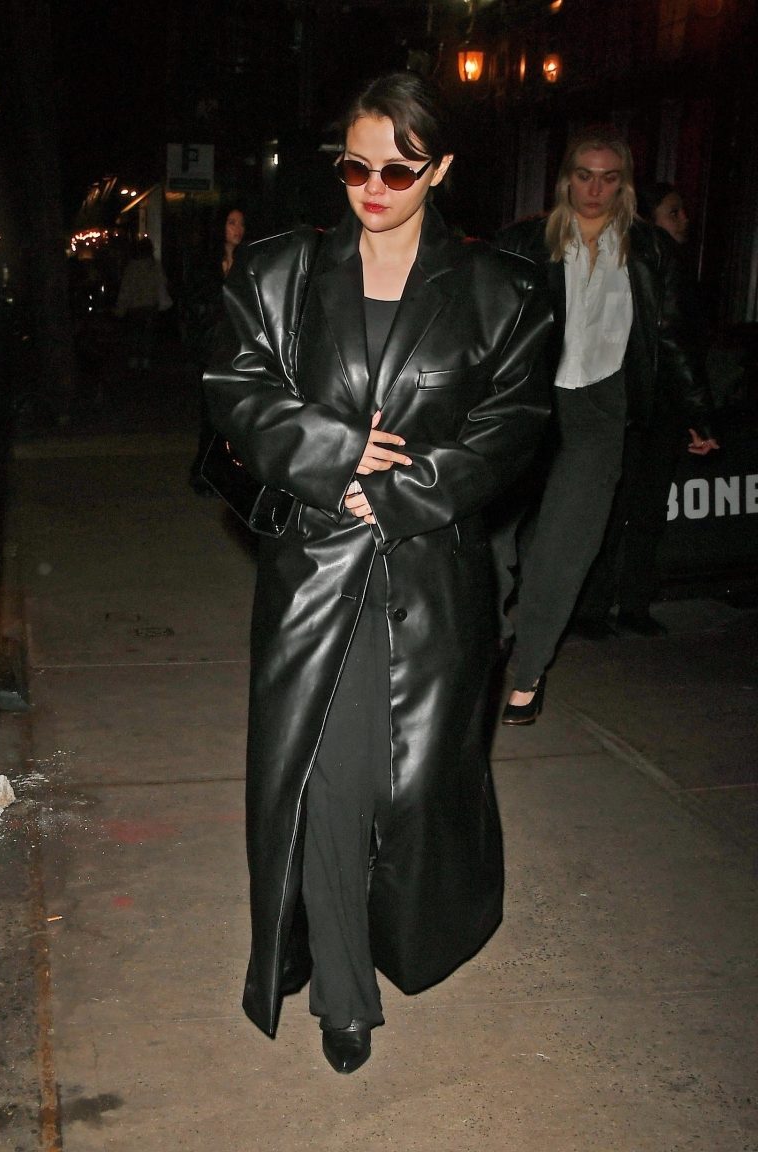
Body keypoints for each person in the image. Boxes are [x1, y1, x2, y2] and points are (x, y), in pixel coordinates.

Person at [204, 72, 553, 1073]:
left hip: (429, 575)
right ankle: (344, 996)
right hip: (315, 569)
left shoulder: (502, 291)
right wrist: (335, 453)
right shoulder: (279, 273)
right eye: (354, 167)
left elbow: (512, 427)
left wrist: (399, 492)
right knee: (324, 779)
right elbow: (236, 388)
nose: (372, 188)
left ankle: (405, 936)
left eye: (398, 171)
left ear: (440, 171)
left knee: (413, 792)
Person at [494, 129, 718, 724]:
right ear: (566, 178)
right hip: (529, 403)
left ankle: (528, 673)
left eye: (609, 177)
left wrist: (696, 411)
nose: (595, 189)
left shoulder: (648, 250)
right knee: (492, 539)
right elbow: (483, 330)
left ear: (624, 185)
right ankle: (488, 643)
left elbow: (670, 334)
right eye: (585, 175)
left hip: (601, 408)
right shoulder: (525, 242)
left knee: (565, 549)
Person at [575, 181, 718, 637]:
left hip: (656, 407)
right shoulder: (638, 259)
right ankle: (600, 608)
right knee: (619, 509)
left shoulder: (668, 265)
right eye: (673, 212)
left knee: (644, 510)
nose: (684, 220)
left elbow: (680, 344)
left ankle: (627, 605)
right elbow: (670, 338)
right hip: (631, 405)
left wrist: (692, 413)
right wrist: (699, 412)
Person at [185, 207, 246, 493]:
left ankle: (227, 473)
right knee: (211, 412)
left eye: (241, 223)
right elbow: (196, 305)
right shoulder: (206, 265)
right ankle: (204, 471)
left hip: (239, 348)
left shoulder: (247, 262)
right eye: (232, 222)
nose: (237, 229)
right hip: (212, 348)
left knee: (234, 415)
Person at [114, 236, 170, 371]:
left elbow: (125, 289)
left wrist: (120, 308)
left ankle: (134, 360)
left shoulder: (132, 267)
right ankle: (145, 360)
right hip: (150, 306)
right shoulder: (154, 266)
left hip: (134, 307)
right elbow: (162, 284)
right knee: (147, 335)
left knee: (134, 334)